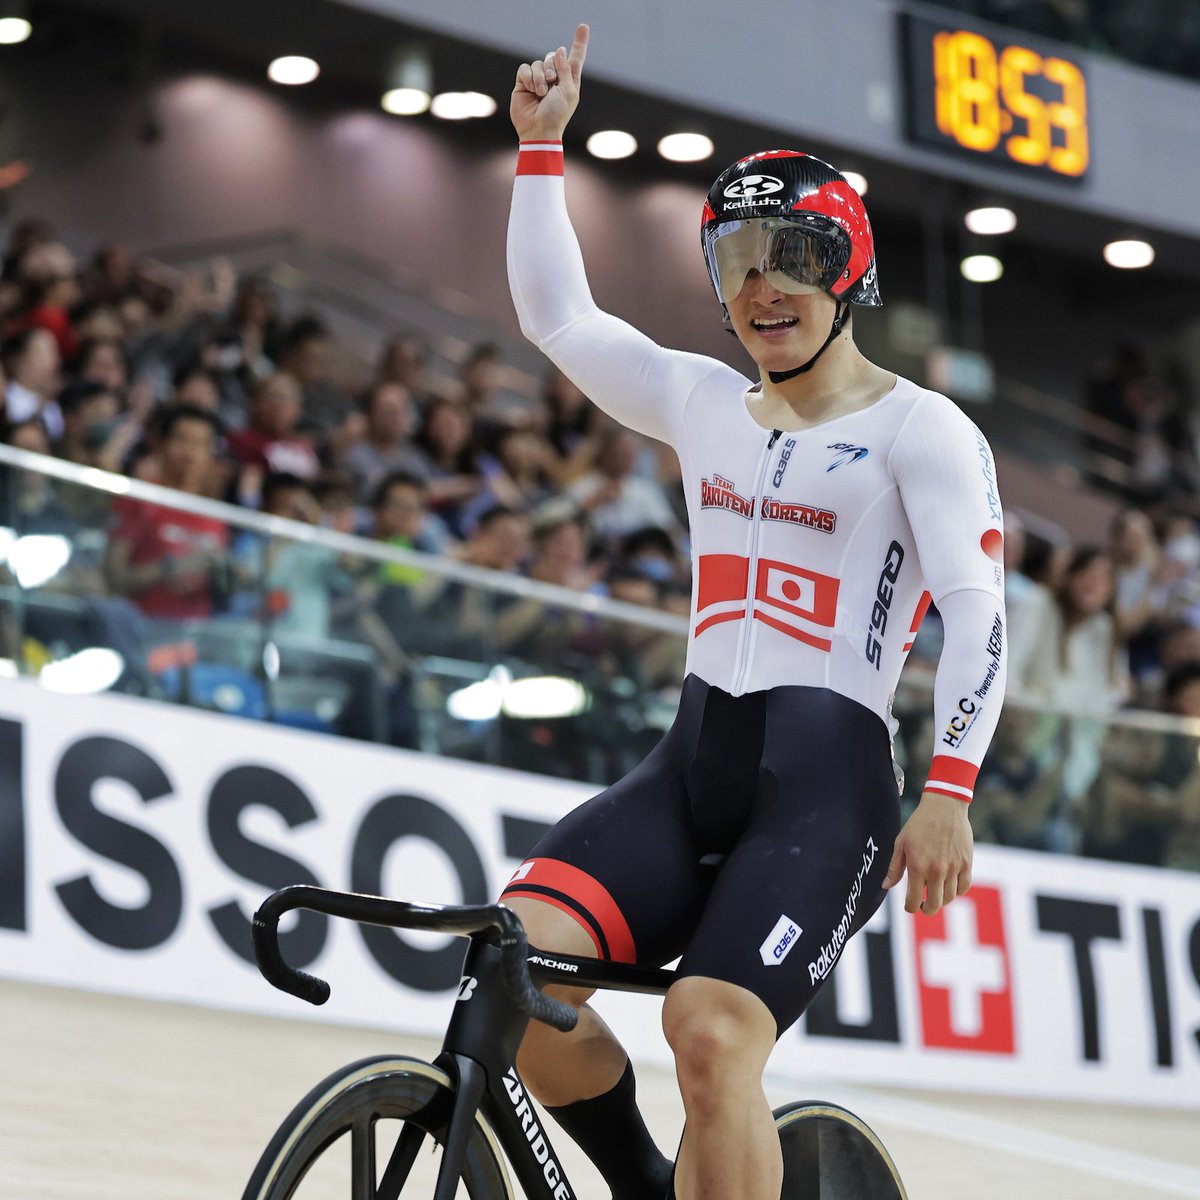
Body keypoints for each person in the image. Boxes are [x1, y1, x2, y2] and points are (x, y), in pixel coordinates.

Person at [499, 26, 1007, 1200]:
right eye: (735, 261)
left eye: (791, 256)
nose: (760, 285)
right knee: (507, 976)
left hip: (827, 792)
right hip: (692, 762)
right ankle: (640, 1178)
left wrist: (949, 794)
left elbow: (977, 617)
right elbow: (558, 321)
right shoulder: (704, 400)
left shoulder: (922, 428)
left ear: (847, 272)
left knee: (713, 1034)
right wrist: (539, 150)